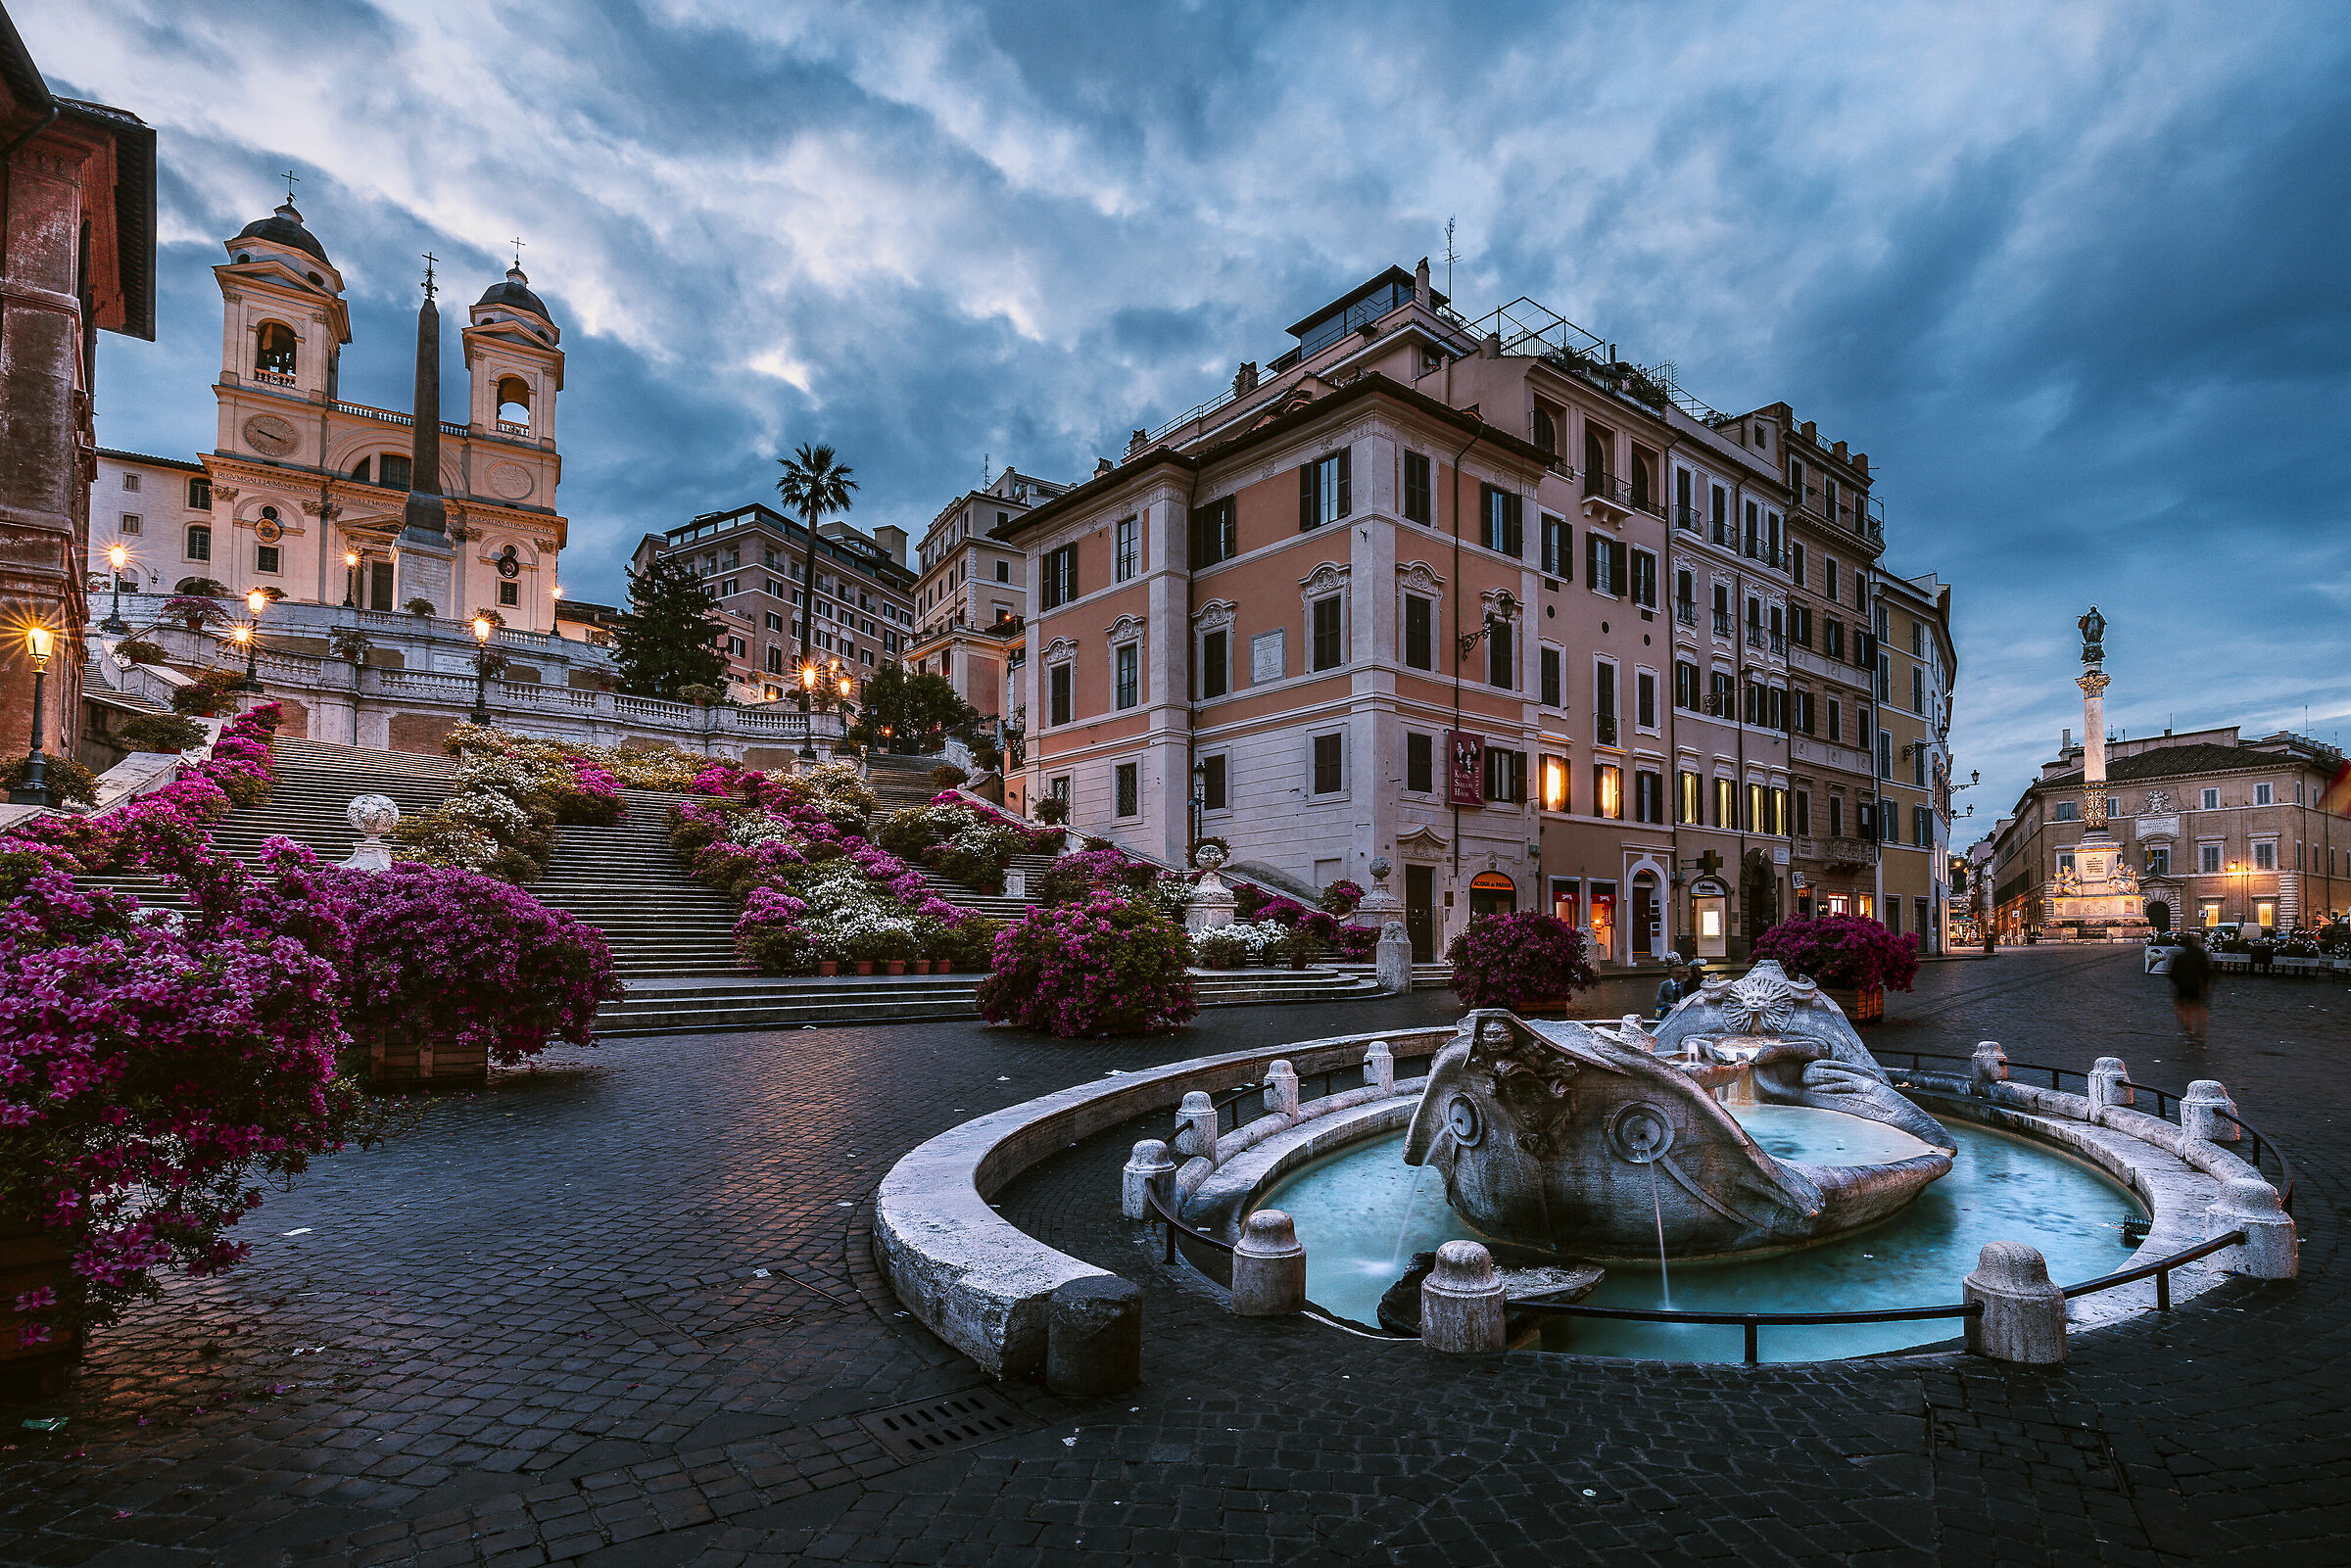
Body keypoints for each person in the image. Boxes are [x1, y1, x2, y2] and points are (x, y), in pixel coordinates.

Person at [2170, 928, 2212, 1046]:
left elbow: (2173, 974)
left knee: (2183, 1008)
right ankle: (2200, 1034)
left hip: (2184, 985)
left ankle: (2189, 1030)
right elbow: (2206, 971)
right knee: (2200, 1009)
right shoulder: (2201, 954)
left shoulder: (2180, 957)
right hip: (2197, 985)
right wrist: (2206, 984)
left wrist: (2177, 983)